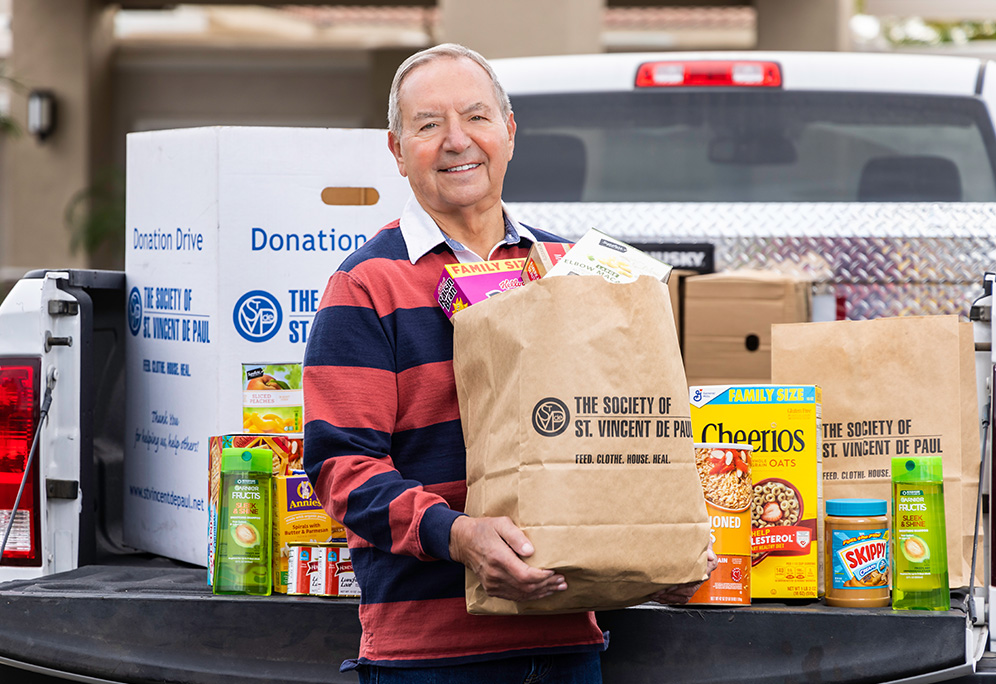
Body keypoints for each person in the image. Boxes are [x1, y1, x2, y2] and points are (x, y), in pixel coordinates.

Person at [303, 43, 716, 684]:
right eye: (428, 124)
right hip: (428, 656)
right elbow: (341, 466)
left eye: (476, 117)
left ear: (509, 133)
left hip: (568, 641)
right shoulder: (366, 284)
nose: (456, 141)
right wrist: (456, 535)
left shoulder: (571, 270)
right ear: (395, 149)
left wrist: (655, 545)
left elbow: (625, 425)